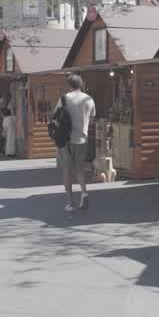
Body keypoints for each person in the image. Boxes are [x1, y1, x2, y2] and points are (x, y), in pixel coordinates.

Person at [58, 73, 96, 213]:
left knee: (67, 170)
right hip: (82, 138)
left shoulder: (64, 99)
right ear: (81, 84)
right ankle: (84, 192)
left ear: (69, 85)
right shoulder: (89, 99)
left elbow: (57, 117)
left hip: (66, 140)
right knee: (79, 169)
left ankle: (69, 202)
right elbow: (92, 119)